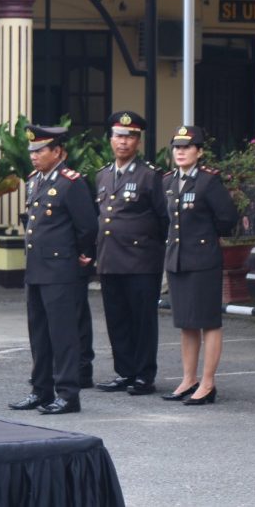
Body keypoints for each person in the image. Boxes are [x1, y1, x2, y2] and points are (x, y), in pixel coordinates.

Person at [8, 125, 98, 416]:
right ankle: (40, 390)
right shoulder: (35, 181)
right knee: (39, 334)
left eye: (40, 151)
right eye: (31, 151)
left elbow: (88, 226)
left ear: (57, 151)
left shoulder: (71, 183)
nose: (33, 156)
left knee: (63, 335)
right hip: (36, 268)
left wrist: (83, 255)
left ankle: (68, 394)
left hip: (61, 269)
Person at [93, 110, 168, 396]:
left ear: (138, 142)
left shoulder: (150, 176)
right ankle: (124, 372)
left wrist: (152, 250)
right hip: (111, 259)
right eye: (119, 136)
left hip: (141, 261)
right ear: (110, 140)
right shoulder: (102, 176)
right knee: (117, 319)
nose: (123, 142)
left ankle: (143, 375)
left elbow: (164, 220)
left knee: (142, 320)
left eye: (130, 137)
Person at [160, 125, 236, 406]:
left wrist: (205, 239)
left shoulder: (208, 182)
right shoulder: (168, 181)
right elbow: (164, 219)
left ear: (199, 152)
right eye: (177, 147)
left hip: (203, 261)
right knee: (186, 323)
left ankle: (207, 382)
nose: (180, 152)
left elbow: (227, 218)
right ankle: (188, 379)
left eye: (187, 147)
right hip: (178, 259)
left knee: (208, 322)